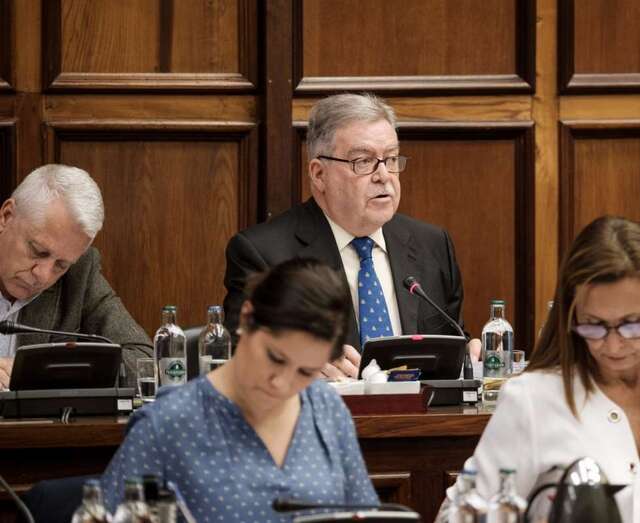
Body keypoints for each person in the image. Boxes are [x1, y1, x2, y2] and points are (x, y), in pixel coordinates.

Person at [444, 216, 640, 523]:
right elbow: (454, 517)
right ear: (570, 314)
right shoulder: (532, 398)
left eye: (633, 324)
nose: (614, 345)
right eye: (593, 325)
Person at [223, 92, 480, 378]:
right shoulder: (265, 254)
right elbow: (242, 359)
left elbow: (452, 340)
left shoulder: (432, 245)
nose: (384, 175)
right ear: (319, 174)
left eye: (391, 159)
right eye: (363, 161)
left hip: (420, 419)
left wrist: (467, 354)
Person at [101, 258, 379, 520]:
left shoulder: (326, 407)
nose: (282, 383)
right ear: (247, 318)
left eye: (306, 372)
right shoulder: (166, 424)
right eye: (275, 358)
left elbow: (366, 515)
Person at [0, 164, 151, 388]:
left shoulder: (80, 272)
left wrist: (40, 372)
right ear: (6, 216)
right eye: (38, 251)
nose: (42, 275)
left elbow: (144, 361)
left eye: (60, 265)